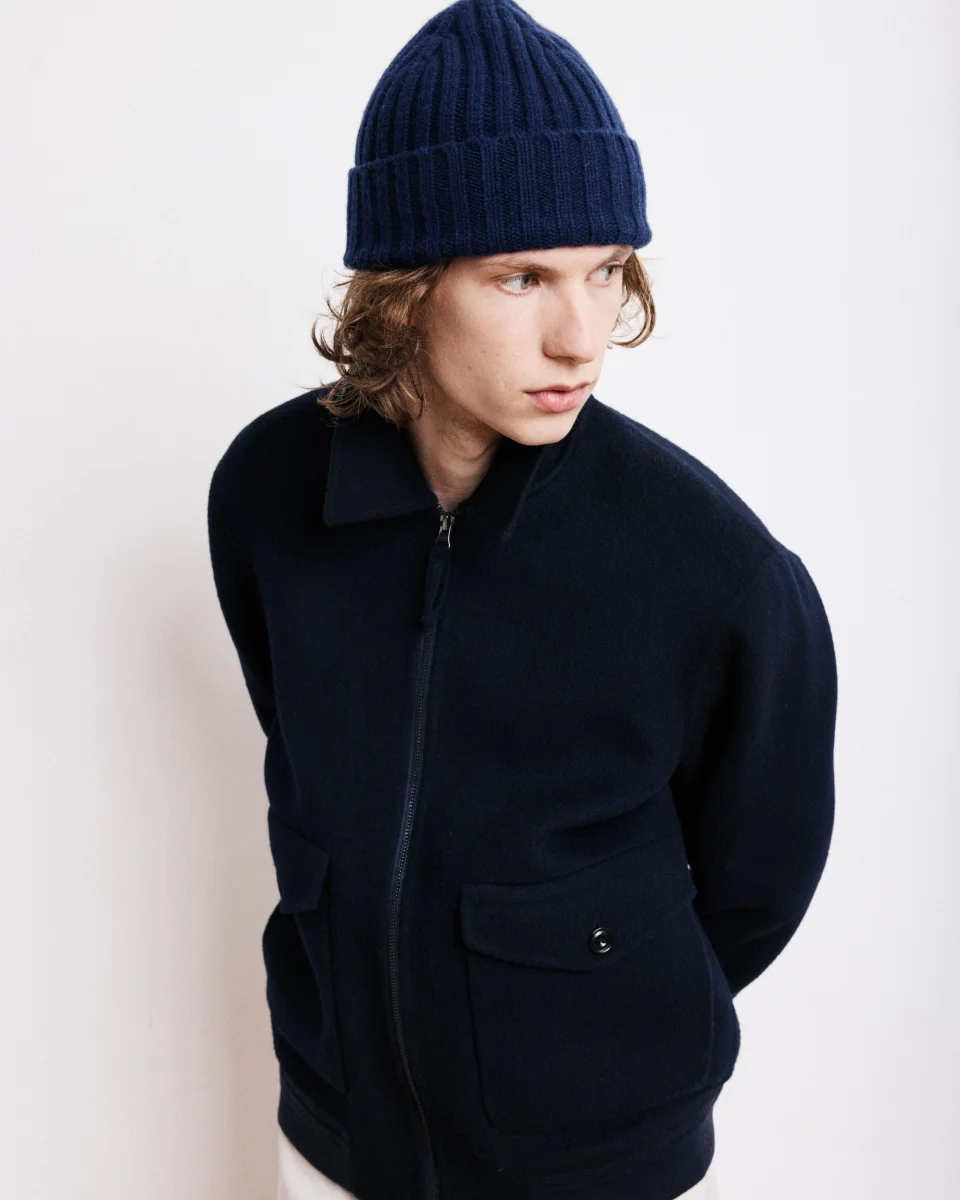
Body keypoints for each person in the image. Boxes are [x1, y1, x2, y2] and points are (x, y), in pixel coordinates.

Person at [206, 2, 838, 1198]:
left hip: (597, 1164)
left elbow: (760, 884)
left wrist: (589, 993)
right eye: (522, 277)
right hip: (335, 1138)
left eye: (606, 271)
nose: (581, 336)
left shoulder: (715, 569)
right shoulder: (268, 494)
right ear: (404, 289)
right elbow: (303, 745)